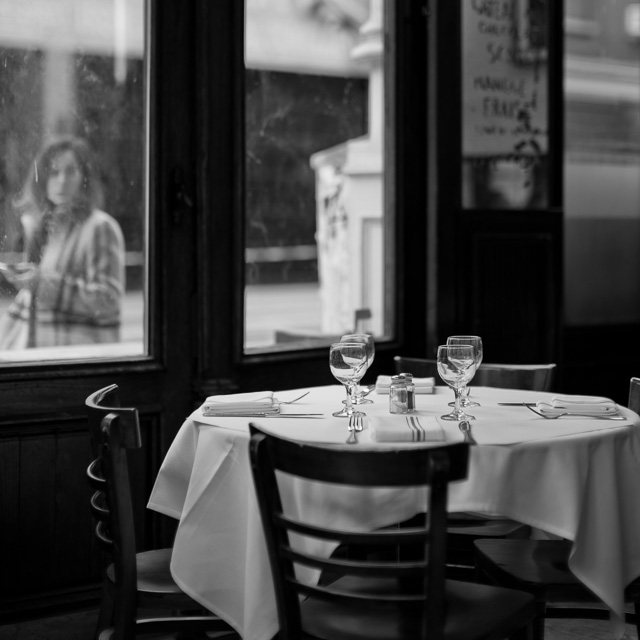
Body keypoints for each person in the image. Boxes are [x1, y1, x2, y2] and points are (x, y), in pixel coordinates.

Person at [0, 135, 125, 347]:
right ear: (42, 179)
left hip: (80, 362)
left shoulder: (99, 227)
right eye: (54, 172)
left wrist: (40, 285)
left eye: (71, 171)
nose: (62, 181)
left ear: (85, 177)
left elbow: (109, 301)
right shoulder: (48, 229)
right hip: (49, 358)